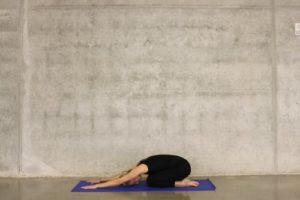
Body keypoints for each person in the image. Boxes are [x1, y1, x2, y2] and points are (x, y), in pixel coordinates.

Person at [82, 154, 199, 189]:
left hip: (182, 168)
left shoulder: (140, 169)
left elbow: (120, 180)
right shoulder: (136, 167)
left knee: (152, 181)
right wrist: (99, 180)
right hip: (177, 166)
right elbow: (120, 176)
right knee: (154, 176)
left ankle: (183, 183)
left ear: (131, 177)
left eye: (133, 182)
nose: (137, 182)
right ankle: (179, 178)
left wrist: (96, 187)